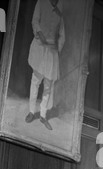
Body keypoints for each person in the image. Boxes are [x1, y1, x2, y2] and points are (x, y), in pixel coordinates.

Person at [25, 0, 65, 131]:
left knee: (48, 86)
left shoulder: (60, 12)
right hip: (40, 48)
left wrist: (58, 49)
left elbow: (62, 35)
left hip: (52, 52)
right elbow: (35, 21)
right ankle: (31, 111)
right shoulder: (41, 3)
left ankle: (43, 115)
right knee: (35, 81)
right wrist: (40, 33)